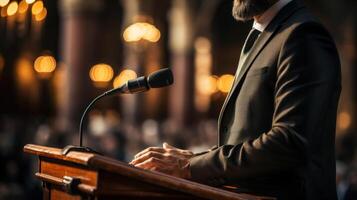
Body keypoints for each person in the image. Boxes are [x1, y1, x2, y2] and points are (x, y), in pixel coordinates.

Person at [130, 0, 341, 199]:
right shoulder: (266, 33)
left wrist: (190, 167)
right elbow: (246, 138)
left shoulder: (302, 34)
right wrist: (193, 159)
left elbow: (288, 142)